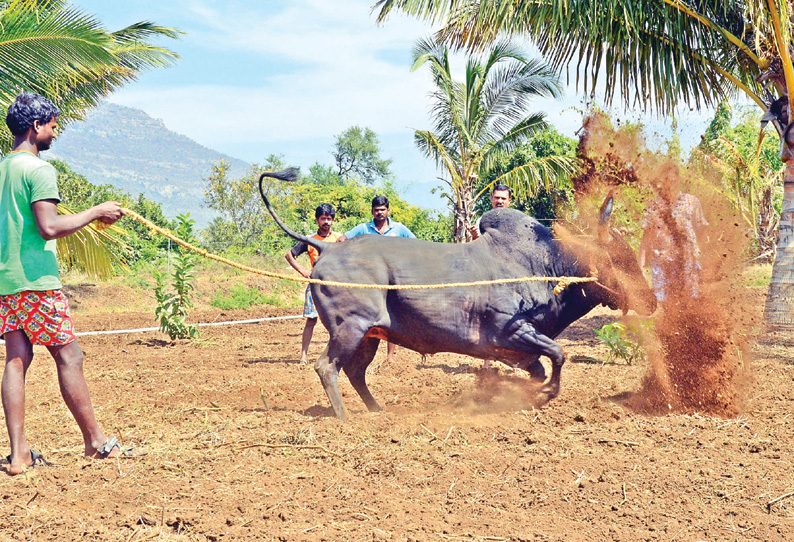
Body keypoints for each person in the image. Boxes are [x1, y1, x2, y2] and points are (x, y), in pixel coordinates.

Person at [0, 92, 136, 475]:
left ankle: (18, 455)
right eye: (53, 126)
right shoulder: (39, 170)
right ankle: (95, 443)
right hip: (37, 282)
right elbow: (49, 226)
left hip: (8, 281)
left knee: (16, 358)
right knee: (70, 356)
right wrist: (97, 211)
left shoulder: (3, 168)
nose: (55, 133)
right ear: (35, 127)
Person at [345, 195, 415, 363]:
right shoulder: (363, 228)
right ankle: (358, 353)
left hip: (393, 280)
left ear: (388, 211)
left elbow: (415, 244)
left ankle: (390, 356)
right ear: (372, 211)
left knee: (392, 316)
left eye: (382, 209)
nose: (379, 213)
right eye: (376, 210)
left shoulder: (399, 229)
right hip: (368, 281)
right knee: (365, 315)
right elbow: (342, 240)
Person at [285, 203, 346, 364]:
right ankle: (304, 355)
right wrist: (303, 272)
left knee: (337, 322)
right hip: (315, 284)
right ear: (317, 220)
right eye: (323, 218)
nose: (326, 221)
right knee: (311, 320)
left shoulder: (339, 239)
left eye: (329, 218)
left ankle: (333, 354)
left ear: (333, 220)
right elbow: (289, 255)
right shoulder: (310, 240)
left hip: (336, 286)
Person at [639, 165, 708, 302]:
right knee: (665, 304)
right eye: (666, 180)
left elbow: (702, 232)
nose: (669, 183)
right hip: (661, 262)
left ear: (678, 179)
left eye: (672, 179)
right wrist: (640, 267)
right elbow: (646, 238)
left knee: (689, 301)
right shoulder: (653, 204)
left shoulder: (692, 201)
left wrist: (701, 258)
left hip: (687, 260)